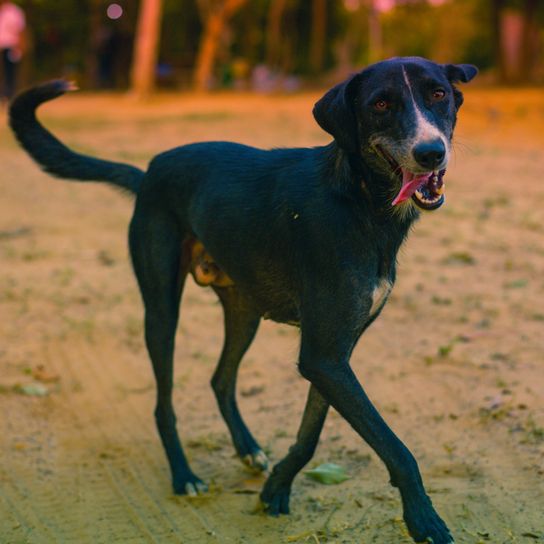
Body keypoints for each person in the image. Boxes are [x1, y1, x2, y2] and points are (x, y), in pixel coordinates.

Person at [0, 0, 26, 101]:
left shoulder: (14, 11)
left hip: (11, 46)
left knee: (10, 72)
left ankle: (10, 94)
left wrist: (20, 46)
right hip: (2, 46)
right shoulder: (2, 11)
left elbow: (20, 29)